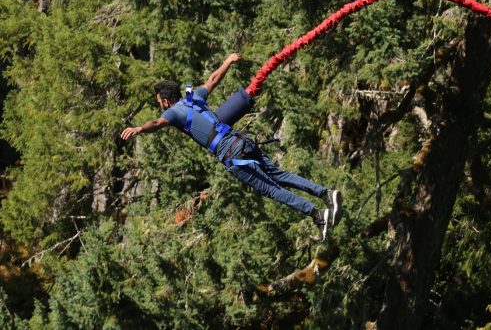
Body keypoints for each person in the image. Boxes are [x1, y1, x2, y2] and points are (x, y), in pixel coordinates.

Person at [121, 53, 343, 241]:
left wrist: (140, 128)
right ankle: (325, 194)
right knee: (278, 174)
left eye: (160, 103)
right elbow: (213, 80)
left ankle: (317, 215)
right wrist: (228, 61)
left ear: (166, 102)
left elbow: (157, 123)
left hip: (230, 152)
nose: (161, 107)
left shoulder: (173, 112)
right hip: (241, 141)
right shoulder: (193, 97)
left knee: (271, 189)